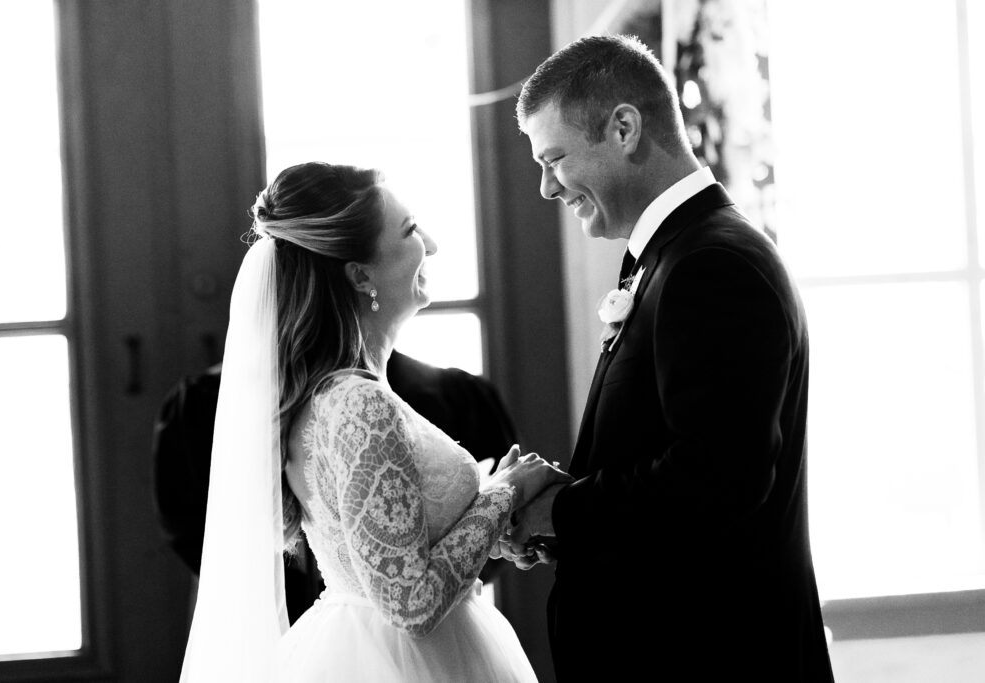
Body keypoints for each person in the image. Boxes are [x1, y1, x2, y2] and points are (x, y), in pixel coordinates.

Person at [500, 35, 835, 681]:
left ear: (624, 127)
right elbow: (666, 458)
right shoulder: (673, 258)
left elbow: (719, 477)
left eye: (555, 158)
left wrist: (562, 509)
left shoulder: (713, 266)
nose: (546, 187)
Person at [179, 162, 567, 682]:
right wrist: (506, 494)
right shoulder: (360, 406)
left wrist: (497, 527)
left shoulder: (344, 395)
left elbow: (389, 547)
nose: (430, 243)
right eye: (410, 231)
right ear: (361, 275)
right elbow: (411, 602)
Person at [153, 351, 517, 622]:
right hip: (271, 616)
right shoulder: (205, 405)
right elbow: (193, 529)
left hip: (426, 618)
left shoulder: (458, 395)